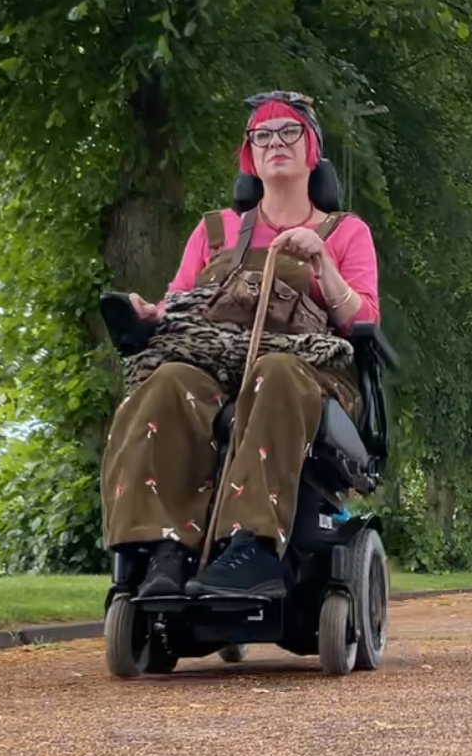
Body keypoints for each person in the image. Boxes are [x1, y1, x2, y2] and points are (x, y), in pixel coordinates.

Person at [101, 91, 381, 600]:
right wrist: (150, 314)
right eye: (262, 135)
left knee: (274, 372)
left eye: (288, 131)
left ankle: (253, 547)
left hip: (311, 369)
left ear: (311, 149)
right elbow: (180, 308)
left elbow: (361, 318)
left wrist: (322, 263)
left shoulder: (345, 232)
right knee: (167, 382)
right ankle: (164, 548)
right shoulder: (214, 232)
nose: (276, 142)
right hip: (213, 362)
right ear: (250, 155)